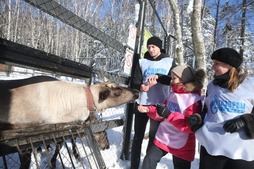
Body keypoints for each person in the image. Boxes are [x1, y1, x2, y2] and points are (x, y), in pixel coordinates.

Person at [188, 48, 254, 169]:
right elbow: (207, 110)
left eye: (217, 63)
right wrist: (197, 120)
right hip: (212, 147)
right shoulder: (212, 86)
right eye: (213, 63)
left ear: (230, 66)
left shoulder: (250, 85)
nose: (213, 67)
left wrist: (245, 121)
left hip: (241, 151)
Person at [138, 64, 205, 169]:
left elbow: (189, 126)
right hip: (164, 136)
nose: (170, 81)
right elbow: (163, 111)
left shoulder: (194, 99)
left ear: (183, 79)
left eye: (174, 78)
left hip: (182, 142)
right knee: (149, 160)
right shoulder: (173, 93)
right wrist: (149, 109)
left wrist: (169, 115)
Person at [130, 36, 176, 169]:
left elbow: (173, 80)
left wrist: (160, 78)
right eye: (149, 47)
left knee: (153, 137)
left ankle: (147, 166)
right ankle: (134, 165)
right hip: (142, 104)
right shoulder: (142, 62)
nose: (150, 50)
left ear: (159, 48)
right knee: (138, 136)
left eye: (153, 47)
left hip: (159, 105)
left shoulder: (169, 61)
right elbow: (135, 80)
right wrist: (140, 86)